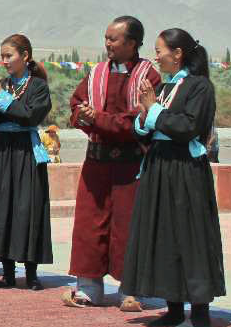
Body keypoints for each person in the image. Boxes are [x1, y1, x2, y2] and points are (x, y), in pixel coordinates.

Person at [121, 29, 226, 327]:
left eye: (159, 50)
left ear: (178, 53)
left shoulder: (199, 87)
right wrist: (143, 116)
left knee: (189, 236)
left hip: (184, 172)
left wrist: (152, 110)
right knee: (163, 234)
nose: (155, 56)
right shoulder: (166, 88)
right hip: (159, 167)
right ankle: (174, 308)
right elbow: (148, 126)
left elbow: (188, 127)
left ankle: (201, 313)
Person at [63, 16, 161, 310]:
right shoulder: (96, 73)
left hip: (130, 165)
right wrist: (82, 115)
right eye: (106, 38)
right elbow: (76, 103)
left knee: (127, 226)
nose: (107, 44)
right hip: (96, 163)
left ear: (132, 43)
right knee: (89, 225)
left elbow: (139, 118)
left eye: (113, 39)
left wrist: (100, 119)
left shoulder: (148, 77)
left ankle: (131, 290)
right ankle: (89, 288)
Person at [0, 35, 54, 290]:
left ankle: (31, 273)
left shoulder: (38, 87)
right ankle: (7, 273)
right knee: (1, 207)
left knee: (26, 208)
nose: (4, 61)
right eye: (2, 56)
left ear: (25, 56)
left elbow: (29, 117)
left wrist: (2, 98)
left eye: (9, 56)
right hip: (0, 151)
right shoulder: (0, 86)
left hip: (25, 152)